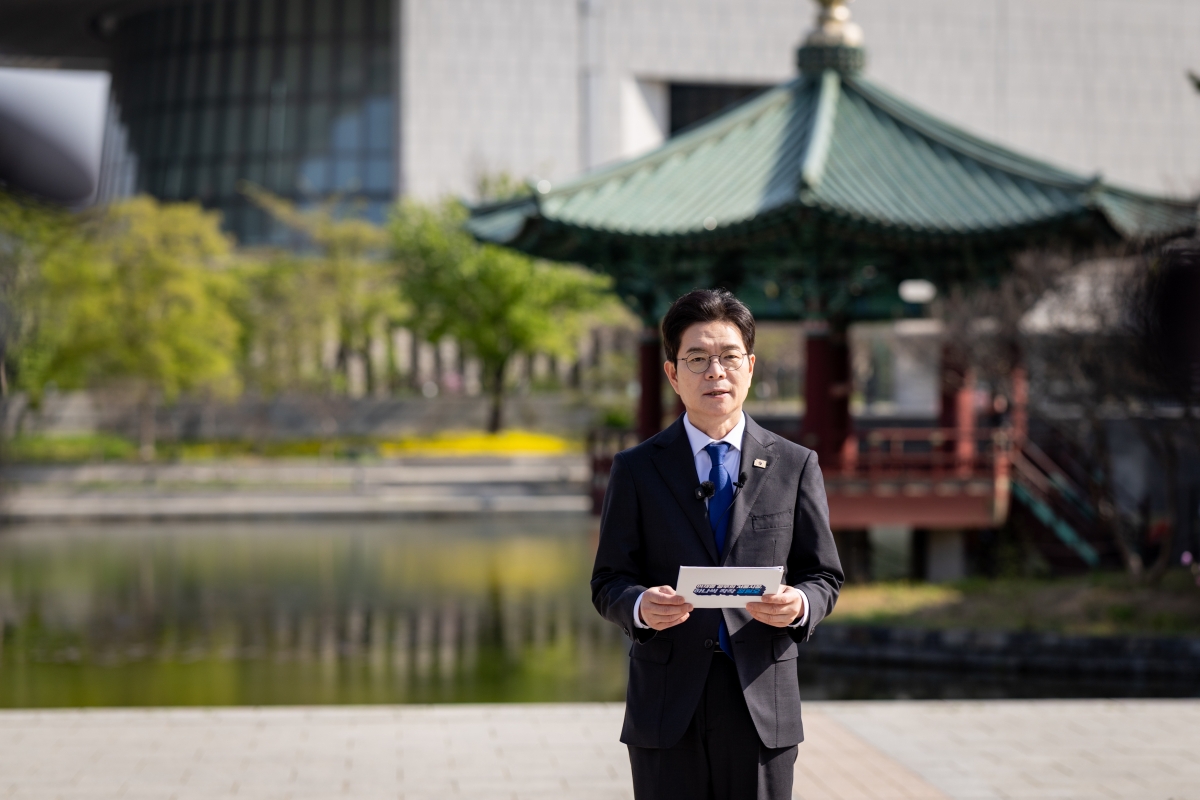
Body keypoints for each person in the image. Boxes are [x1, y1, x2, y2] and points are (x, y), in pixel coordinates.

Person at [591, 288, 844, 800]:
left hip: (760, 701)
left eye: (729, 357)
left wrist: (799, 604)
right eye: (698, 359)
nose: (715, 372)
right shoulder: (637, 469)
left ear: (750, 366)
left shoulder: (795, 465)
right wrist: (640, 606)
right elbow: (608, 581)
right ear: (672, 374)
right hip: (666, 704)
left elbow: (824, 577)